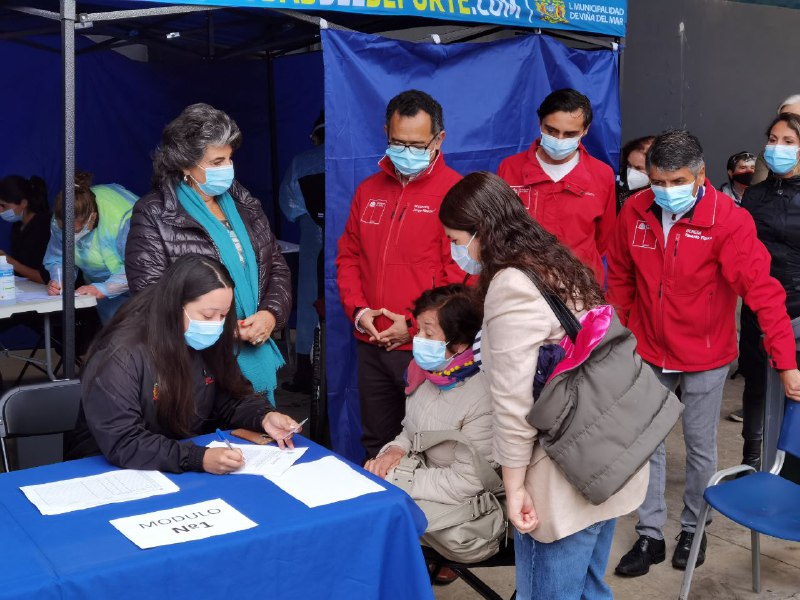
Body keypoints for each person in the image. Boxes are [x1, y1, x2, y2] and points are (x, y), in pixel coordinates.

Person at [439, 171, 648, 600]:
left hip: (560, 469)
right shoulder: (553, 261)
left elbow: (515, 404)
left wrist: (515, 488)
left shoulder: (511, 284)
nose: (456, 251)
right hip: (606, 451)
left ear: (482, 231)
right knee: (589, 588)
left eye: (458, 240)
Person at [607, 130, 800, 577]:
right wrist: (617, 338)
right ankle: (650, 534)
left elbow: (763, 293)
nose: (666, 190)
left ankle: (695, 526)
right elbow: (619, 277)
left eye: (677, 181)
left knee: (698, 446)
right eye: (658, 180)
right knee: (646, 442)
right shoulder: (634, 211)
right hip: (649, 348)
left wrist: (786, 361)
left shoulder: (729, 221)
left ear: (700, 177)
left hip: (706, 354)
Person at [66, 254, 301, 473]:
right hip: (109, 470)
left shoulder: (209, 337)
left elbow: (230, 397)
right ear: (174, 306)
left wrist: (263, 416)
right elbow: (124, 441)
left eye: (223, 315)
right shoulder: (120, 354)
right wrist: (196, 458)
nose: (216, 325)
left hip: (177, 461)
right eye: (208, 316)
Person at [126, 103, 291, 404]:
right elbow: (149, 295)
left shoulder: (245, 205)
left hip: (253, 352)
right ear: (185, 164)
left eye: (228, 159)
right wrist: (222, 326)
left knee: (258, 435)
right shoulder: (154, 213)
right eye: (216, 162)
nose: (227, 168)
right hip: (193, 364)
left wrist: (270, 314)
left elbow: (276, 265)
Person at [336, 89, 468, 459]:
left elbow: (457, 277)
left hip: (427, 348)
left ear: (438, 139)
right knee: (376, 444)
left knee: (430, 448)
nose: (406, 152)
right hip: (372, 343)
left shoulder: (456, 193)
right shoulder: (368, 190)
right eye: (397, 142)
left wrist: (411, 326)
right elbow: (348, 258)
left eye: (416, 144)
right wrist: (361, 314)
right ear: (385, 133)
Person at [365, 283, 490, 586]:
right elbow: (410, 431)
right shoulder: (427, 374)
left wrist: (396, 478)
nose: (417, 339)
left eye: (428, 333)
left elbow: (468, 482)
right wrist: (394, 452)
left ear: (460, 344)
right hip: (427, 484)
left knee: (373, 523)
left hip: (465, 505)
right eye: (417, 329)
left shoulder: (483, 395)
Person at [497, 88, 616, 284]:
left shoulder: (602, 175)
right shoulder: (509, 168)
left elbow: (604, 239)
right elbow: (498, 230)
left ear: (585, 130)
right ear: (539, 124)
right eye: (551, 130)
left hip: (580, 288)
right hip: (521, 285)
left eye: (570, 134)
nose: (559, 140)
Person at [739, 113, 800, 482]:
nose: (777, 148)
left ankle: (791, 470)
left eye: (788, 141)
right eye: (773, 139)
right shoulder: (756, 193)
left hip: (797, 308)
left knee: (794, 388)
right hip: (757, 306)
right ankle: (751, 460)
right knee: (756, 384)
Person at [44, 170, 137, 324]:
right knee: (114, 335)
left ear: (92, 218)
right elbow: (57, 257)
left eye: (74, 231)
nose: (68, 236)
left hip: (145, 287)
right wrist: (59, 280)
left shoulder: (123, 218)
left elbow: (141, 266)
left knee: (147, 337)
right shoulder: (60, 220)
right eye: (63, 230)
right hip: (102, 291)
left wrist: (104, 288)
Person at [279, 111, 325, 394]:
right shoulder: (351, 159)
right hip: (349, 235)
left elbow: (289, 205)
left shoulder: (301, 163)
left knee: (310, 300)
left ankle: (306, 373)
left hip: (313, 236)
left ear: (315, 136)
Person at [0, 175, 50, 283]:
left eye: (4, 206)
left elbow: (47, 277)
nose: (0, 210)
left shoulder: (46, 226)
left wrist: (10, 262)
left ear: (23, 203)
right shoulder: (17, 226)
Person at [752, 94, 800, 185]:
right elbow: (759, 194)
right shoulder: (767, 157)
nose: (787, 124)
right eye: (784, 118)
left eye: (796, 119)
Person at [617, 135, 655, 209]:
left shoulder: (663, 199)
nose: (631, 172)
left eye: (638, 168)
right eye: (629, 165)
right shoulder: (619, 193)